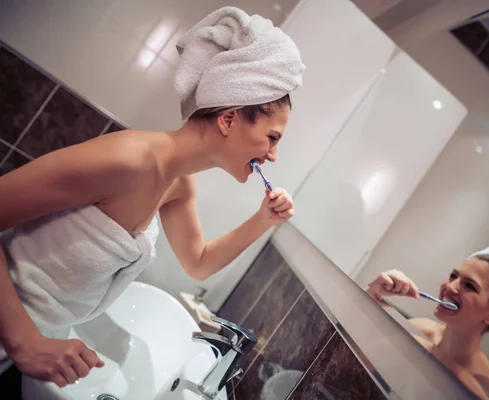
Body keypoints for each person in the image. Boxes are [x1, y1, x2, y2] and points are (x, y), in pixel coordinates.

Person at [0, 7, 305, 389]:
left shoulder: (178, 184)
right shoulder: (129, 158)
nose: (273, 155)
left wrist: (264, 220)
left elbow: (199, 263)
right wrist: (24, 341)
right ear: (228, 119)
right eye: (272, 137)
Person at [366, 233, 489, 400]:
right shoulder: (421, 328)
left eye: (469, 286)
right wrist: (374, 295)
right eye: (453, 276)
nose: (450, 286)